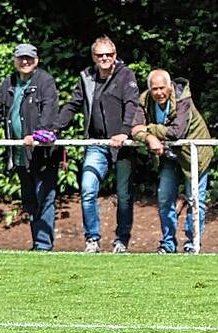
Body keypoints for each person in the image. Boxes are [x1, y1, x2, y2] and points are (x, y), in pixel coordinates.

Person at [56, 36, 139, 253]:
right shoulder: (86, 77)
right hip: (96, 142)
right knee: (87, 189)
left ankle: (121, 240)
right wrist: (54, 129)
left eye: (108, 55)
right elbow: (73, 104)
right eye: (100, 55)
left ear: (115, 55)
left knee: (124, 195)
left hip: (123, 145)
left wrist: (124, 132)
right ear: (94, 57)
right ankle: (92, 239)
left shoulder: (126, 75)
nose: (104, 58)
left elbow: (132, 104)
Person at [0, 43, 59, 251]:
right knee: (29, 200)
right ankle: (38, 243)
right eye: (21, 58)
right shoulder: (9, 82)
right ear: (15, 60)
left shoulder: (45, 81)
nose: (25, 62)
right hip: (19, 154)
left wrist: (37, 135)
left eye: (29, 58)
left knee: (45, 198)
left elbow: (50, 112)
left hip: (42, 153)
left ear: (37, 60)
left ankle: (43, 244)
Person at [131, 69, 213, 254]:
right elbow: (135, 128)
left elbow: (177, 132)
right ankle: (168, 244)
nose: (159, 93)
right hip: (169, 155)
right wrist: (150, 138)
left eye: (162, 88)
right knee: (165, 197)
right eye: (154, 89)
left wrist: (149, 129)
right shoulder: (144, 101)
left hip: (195, 154)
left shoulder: (183, 99)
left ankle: (193, 244)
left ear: (170, 87)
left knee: (195, 200)